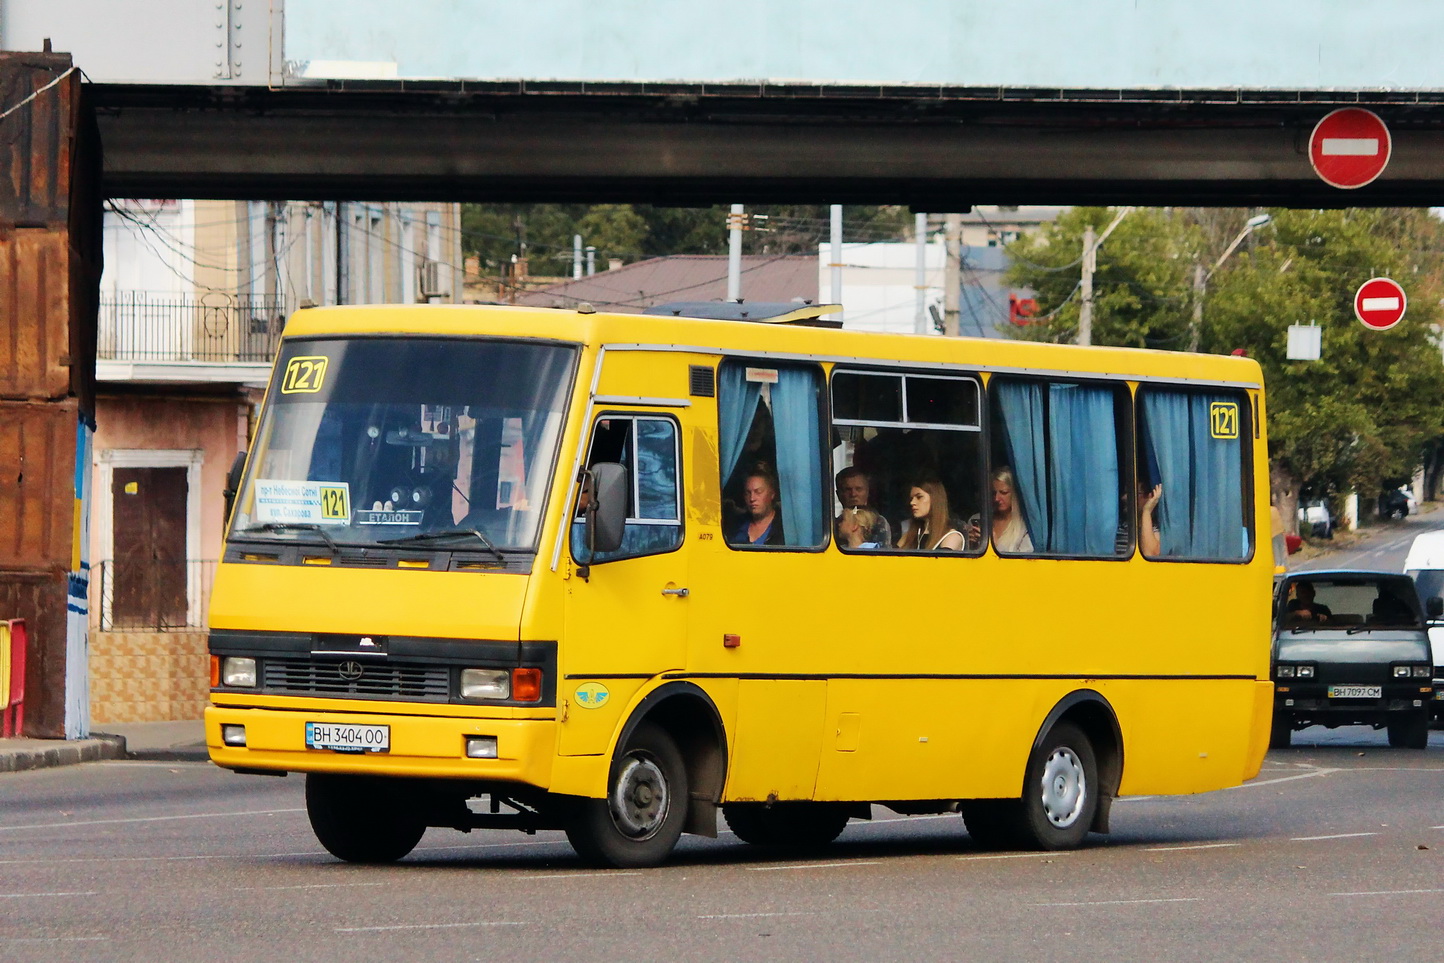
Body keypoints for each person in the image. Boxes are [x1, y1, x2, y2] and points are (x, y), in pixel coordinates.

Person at [895, 479, 964, 551]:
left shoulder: (951, 537)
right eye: (911, 498)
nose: (912, 502)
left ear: (935, 499)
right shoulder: (910, 535)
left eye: (919, 497)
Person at [834, 466, 892, 547]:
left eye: (858, 489)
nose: (853, 494)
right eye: (848, 489)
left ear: (868, 491)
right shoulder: (832, 526)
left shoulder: (878, 523)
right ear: (838, 494)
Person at [730, 464, 785, 546]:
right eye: (747, 493)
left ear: (772, 493)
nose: (752, 498)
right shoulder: (735, 526)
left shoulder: (784, 529)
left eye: (758, 492)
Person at [989, 467, 1033, 553]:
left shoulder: (1026, 527)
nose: (996, 498)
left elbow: (1023, 562)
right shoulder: (980, 520)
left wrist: (995, 545)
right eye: (993, 493)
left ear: (1015, 493)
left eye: (1004, 492)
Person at [1139, 482, 1163, 557]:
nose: (1124, 497)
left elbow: (1150, 554)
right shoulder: (1118, 526)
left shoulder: (1156, 529)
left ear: (1150, 496)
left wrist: (1146, 511)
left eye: (1130, 494)